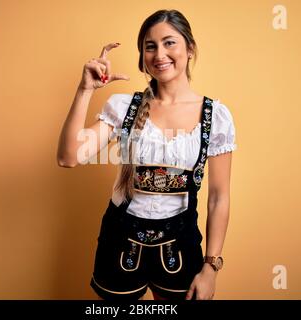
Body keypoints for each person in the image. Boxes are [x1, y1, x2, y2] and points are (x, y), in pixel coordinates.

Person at [57, 9, 237, 300]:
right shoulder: (123, 106)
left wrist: (211, 267)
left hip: (182, 244)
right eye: (149, 46)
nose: (159, 54)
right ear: (142, 56)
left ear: (189, 48)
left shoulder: (215, 116)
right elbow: (69, 157)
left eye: (169, 43)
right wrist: (85, 89)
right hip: (119, 240)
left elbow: (218, 197)